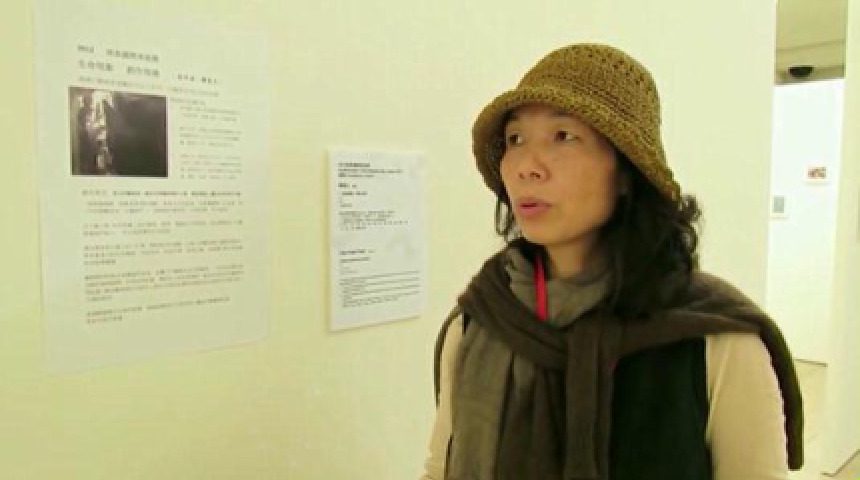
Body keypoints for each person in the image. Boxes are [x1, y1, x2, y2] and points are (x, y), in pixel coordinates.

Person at [421, 44, 803, 480]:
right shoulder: (479, 322)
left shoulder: (716, 342)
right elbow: (440, 469)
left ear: (626, 171)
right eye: (515, 139)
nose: (526, 166)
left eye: (563, 136)